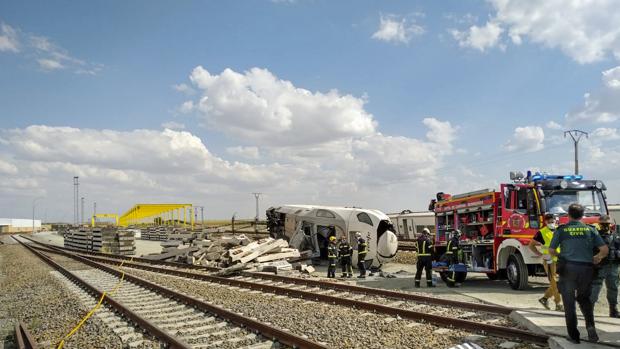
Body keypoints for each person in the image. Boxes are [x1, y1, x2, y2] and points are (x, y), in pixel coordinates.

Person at [549, 203, 608, 344]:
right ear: (582, 216)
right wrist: (597, 257)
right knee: (584, 300)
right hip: (586, 270)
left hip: (568, 269)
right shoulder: (590, 229)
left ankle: (574, 336)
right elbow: (604, 249)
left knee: (569, 303)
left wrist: (560, 256)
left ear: (568, 215)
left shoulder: (562, 230)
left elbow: (551, 250)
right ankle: (590, 328)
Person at [528, 213, 563, 311]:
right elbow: (531, 245)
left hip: (560, 259)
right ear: (545, 222)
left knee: (560, 283)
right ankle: (558, 303)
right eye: (549, 222)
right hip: (549, 260)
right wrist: (540, 254)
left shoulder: (559, 230)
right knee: (554, 283)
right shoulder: (541, 232)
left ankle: (544, 299)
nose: (552, 223)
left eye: (553, 221)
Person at [590, 215, 620, 318]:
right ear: (599, 225)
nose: (606, 226)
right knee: (595, 288)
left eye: (607, 224)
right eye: (603, 224)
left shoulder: (616, 236)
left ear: (610, 224)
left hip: (613, 266)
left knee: (613, 288)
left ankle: (613, 310)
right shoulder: (594, 236)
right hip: (599, 267)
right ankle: (589, 310)